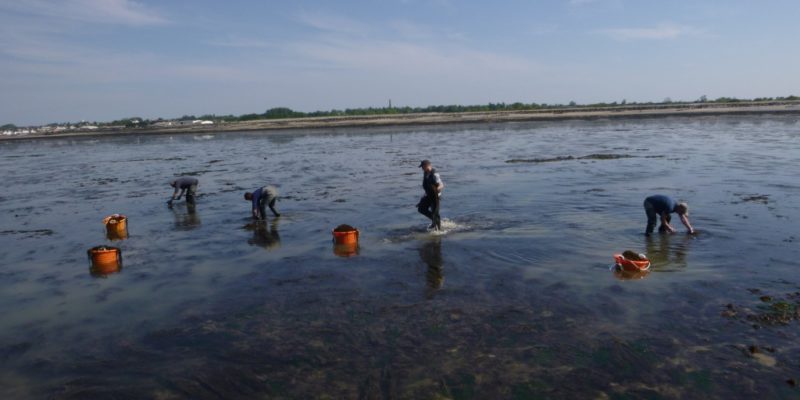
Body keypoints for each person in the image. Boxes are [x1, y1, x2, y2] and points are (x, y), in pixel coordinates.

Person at [417, 160, 444, 230]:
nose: (422, 169)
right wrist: (422, 198)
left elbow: (441, 185)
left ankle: (439, 229)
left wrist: (438, 189)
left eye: (422, 167)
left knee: (435, 212)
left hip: (435, 196)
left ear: (427, 166)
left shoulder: (435, 174)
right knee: (421, 208)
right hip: (428, 195)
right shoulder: (425, 173)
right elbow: (426, 187)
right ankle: (434, 221)